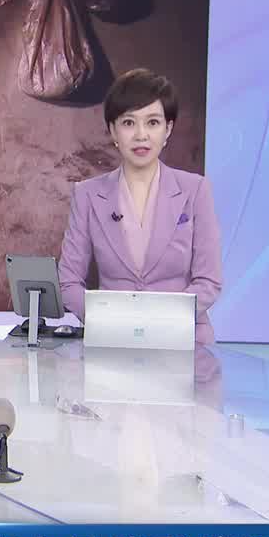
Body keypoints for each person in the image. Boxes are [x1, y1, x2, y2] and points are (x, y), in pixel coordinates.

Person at [57, 68, 223, 343]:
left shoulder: (195, 190)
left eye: (153, 122)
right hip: (112, 340)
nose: (141, 135)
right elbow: (68, 282)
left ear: (168, 129)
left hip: (184, 341)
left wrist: (155, 323)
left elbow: (209, 281)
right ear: (113, 130)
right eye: (129, 123)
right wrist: (111, 321)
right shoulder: (87, 195)